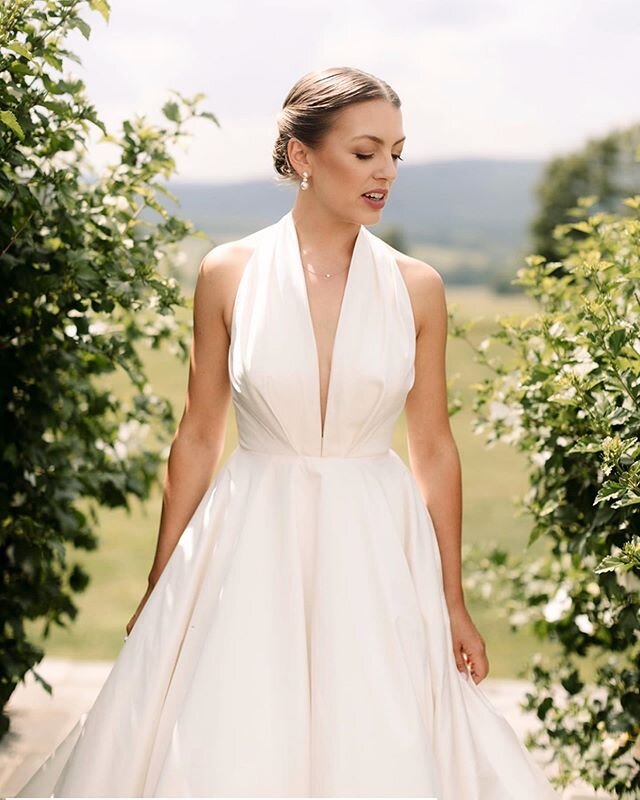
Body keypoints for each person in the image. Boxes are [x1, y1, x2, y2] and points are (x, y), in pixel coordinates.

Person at [15, 66, 560, 799]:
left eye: (396, 152)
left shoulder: (417, 287)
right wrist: (161, 581)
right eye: (365, 152)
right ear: (303, 156)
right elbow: (199, 436)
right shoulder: (226, 273)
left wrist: (453, 601)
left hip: (376, 544)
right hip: (249, 541)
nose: (386, 172)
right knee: (232, 734)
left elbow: (432, 447)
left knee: (379, 734)